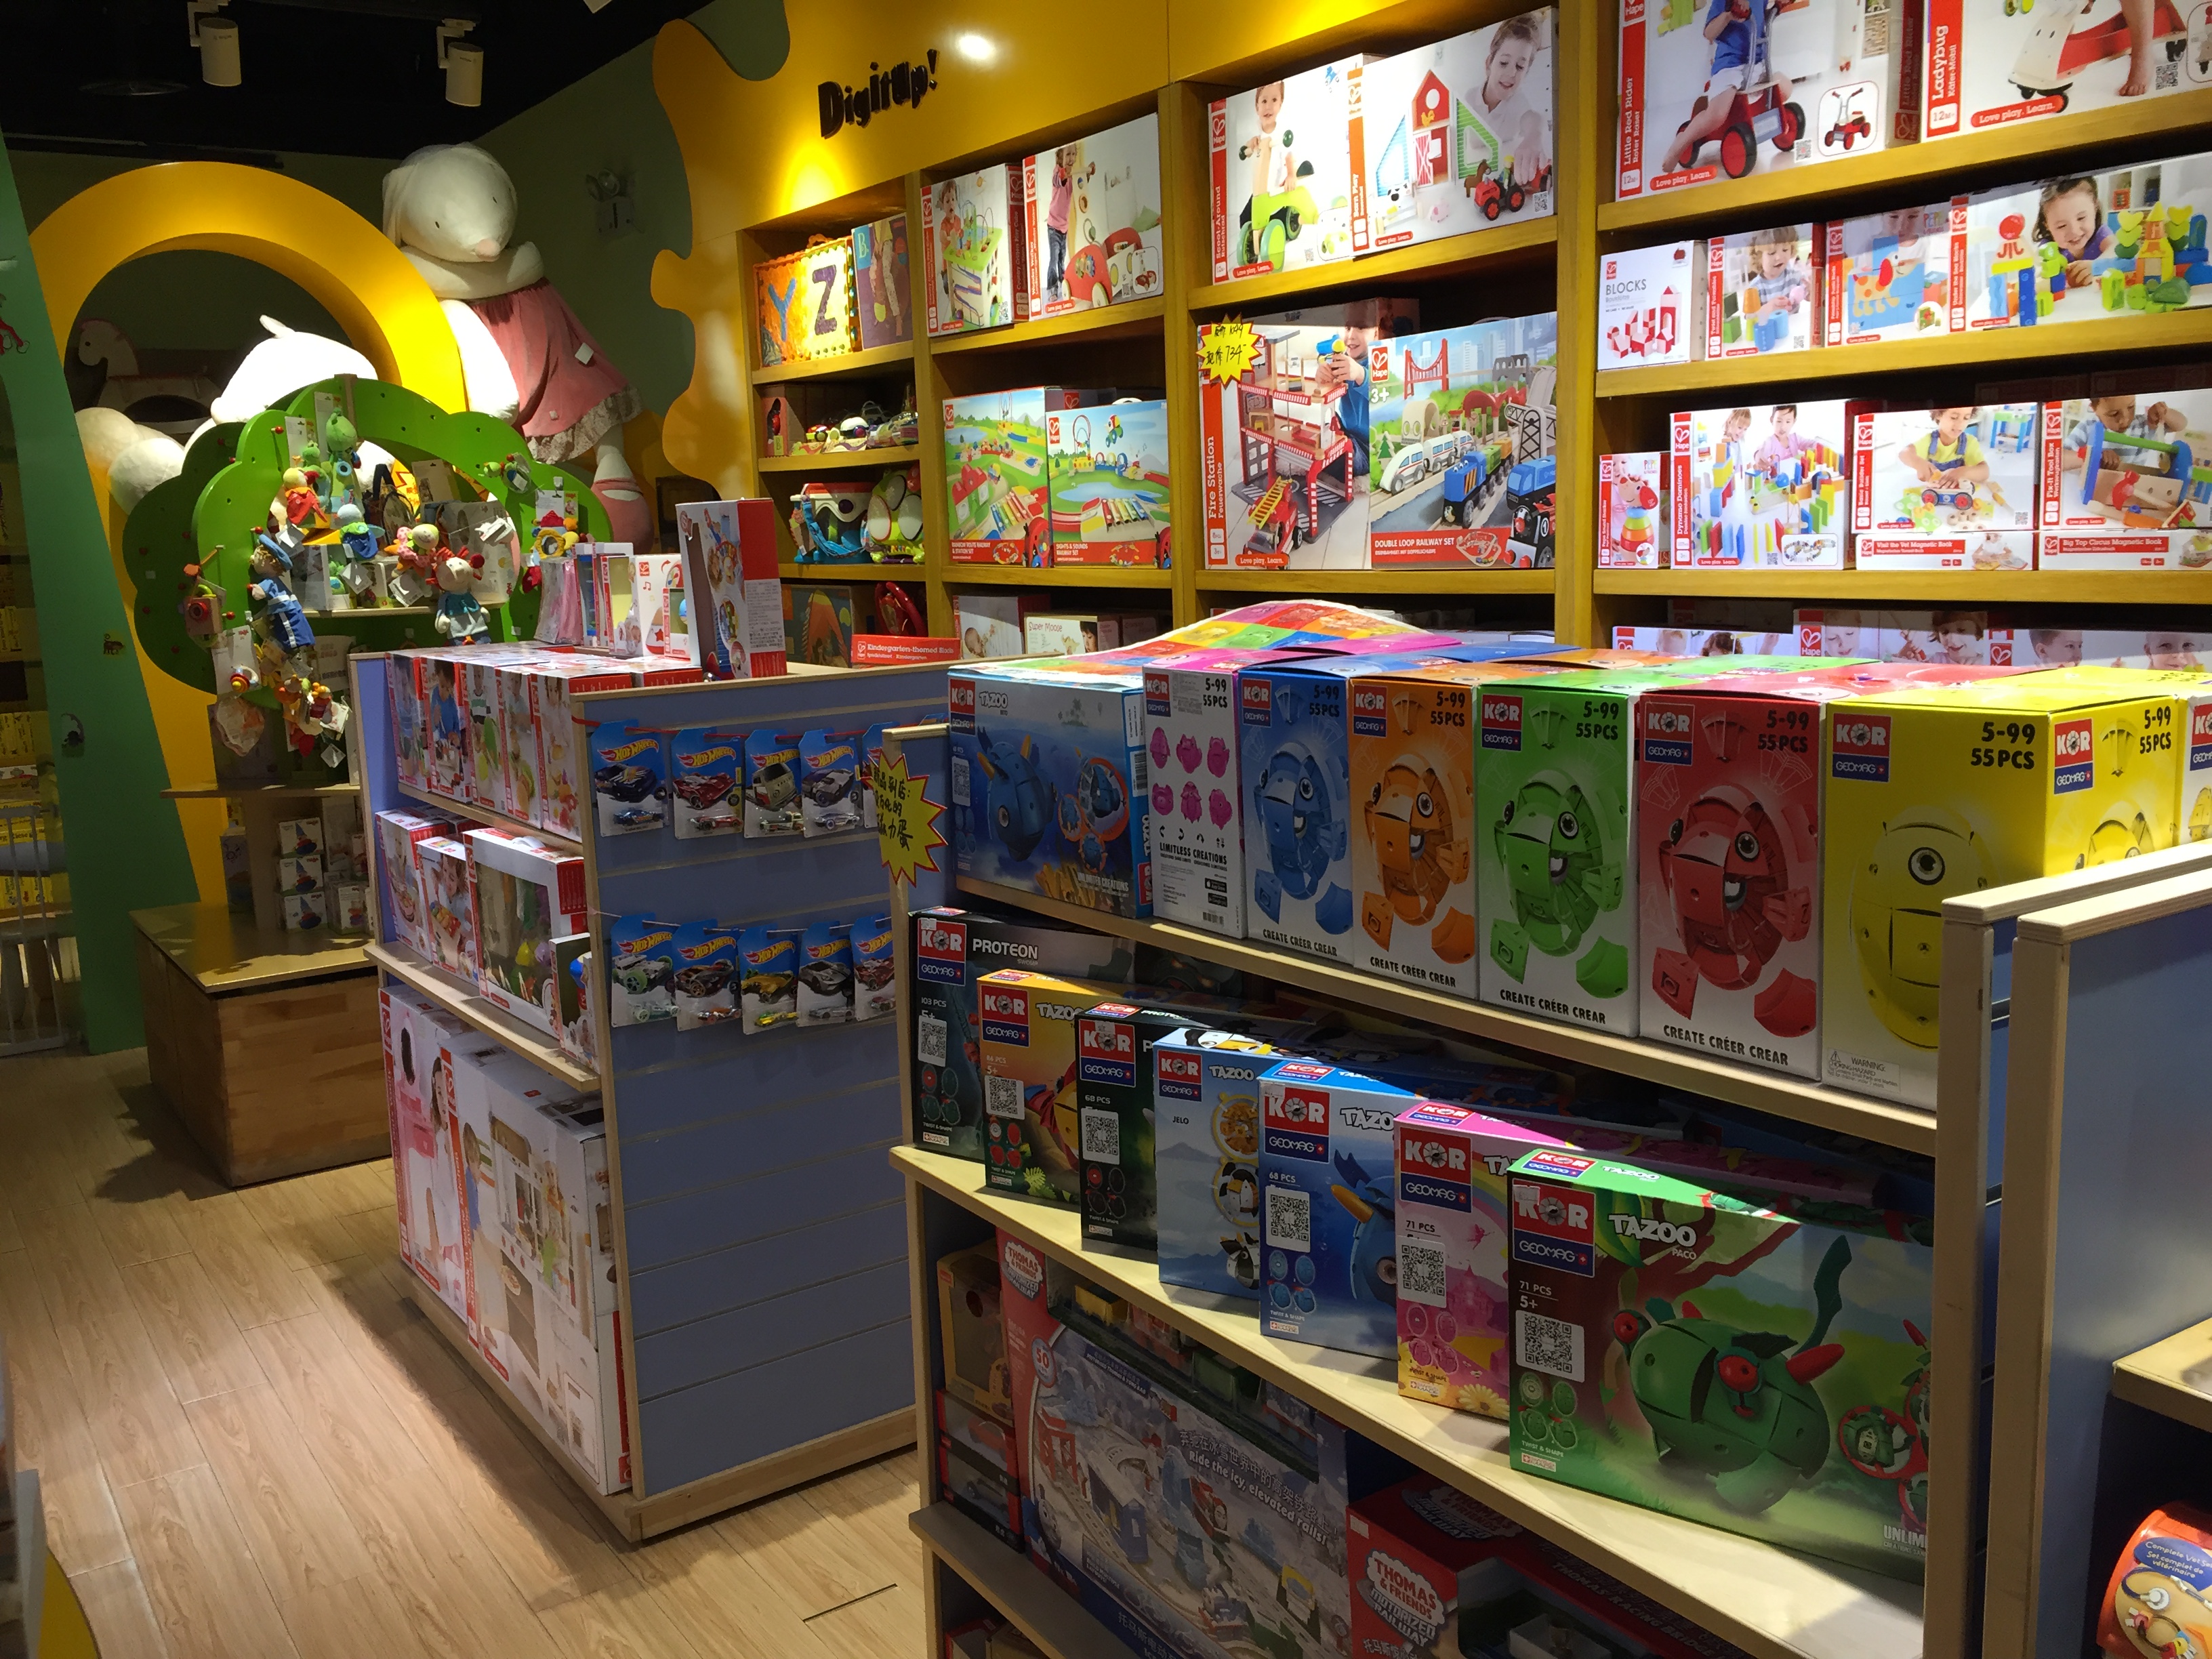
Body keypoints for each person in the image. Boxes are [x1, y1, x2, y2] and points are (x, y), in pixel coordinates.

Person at [1658, 0, 1790, 177]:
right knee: (1717, 115)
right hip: (1731, 66)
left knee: (1785, 89)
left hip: (1757, 62)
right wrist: (1728, 15)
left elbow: (1760, 17)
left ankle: (1770, 123)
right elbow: (1709, 33)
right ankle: (1680, 144)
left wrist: (1777, 7)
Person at [1473, 14, 1551, 184]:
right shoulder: (1468, 98)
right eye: (1504, 63)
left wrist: (1534, 136)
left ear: (1526, 72)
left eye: (1520, 67)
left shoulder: (1518, 102)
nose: (1511, 73)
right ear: (1489, 63)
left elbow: (1532, 118)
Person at [2034, 176, 2112, 290]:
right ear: (2047, 226)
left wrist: (2097, 266)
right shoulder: (2049, 248)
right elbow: (2038, 272)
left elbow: (2116, 249)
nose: (2074, 231)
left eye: (2081, 218)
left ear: (2095, 208)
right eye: (2061, 226)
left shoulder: (2100, 234)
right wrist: (2045, 273)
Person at [1320, 327, 1375, 474]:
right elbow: (1326, 387)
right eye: (1347, 328)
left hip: (1370, 446)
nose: (1351, 336)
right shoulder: (1341, 359)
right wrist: (1323, 377)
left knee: (1346, 460)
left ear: (1376, 332)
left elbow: (1387, 395)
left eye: (1361, 328)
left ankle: (1344, 453)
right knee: (1319, 439)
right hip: (1345, 430)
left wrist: (1361, 374)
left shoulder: (1382, 360)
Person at [1898, 407, 1992, 489]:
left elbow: (1985, 472)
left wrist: (1963, 472)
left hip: (1958, 492)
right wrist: (1918, 463)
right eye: (1954, 417)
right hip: (1935, 491)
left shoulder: (1969, 442)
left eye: (1966, 418)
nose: (1960, 424)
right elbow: (1904, 453)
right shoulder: (1929, 441)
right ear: (1938, 414)